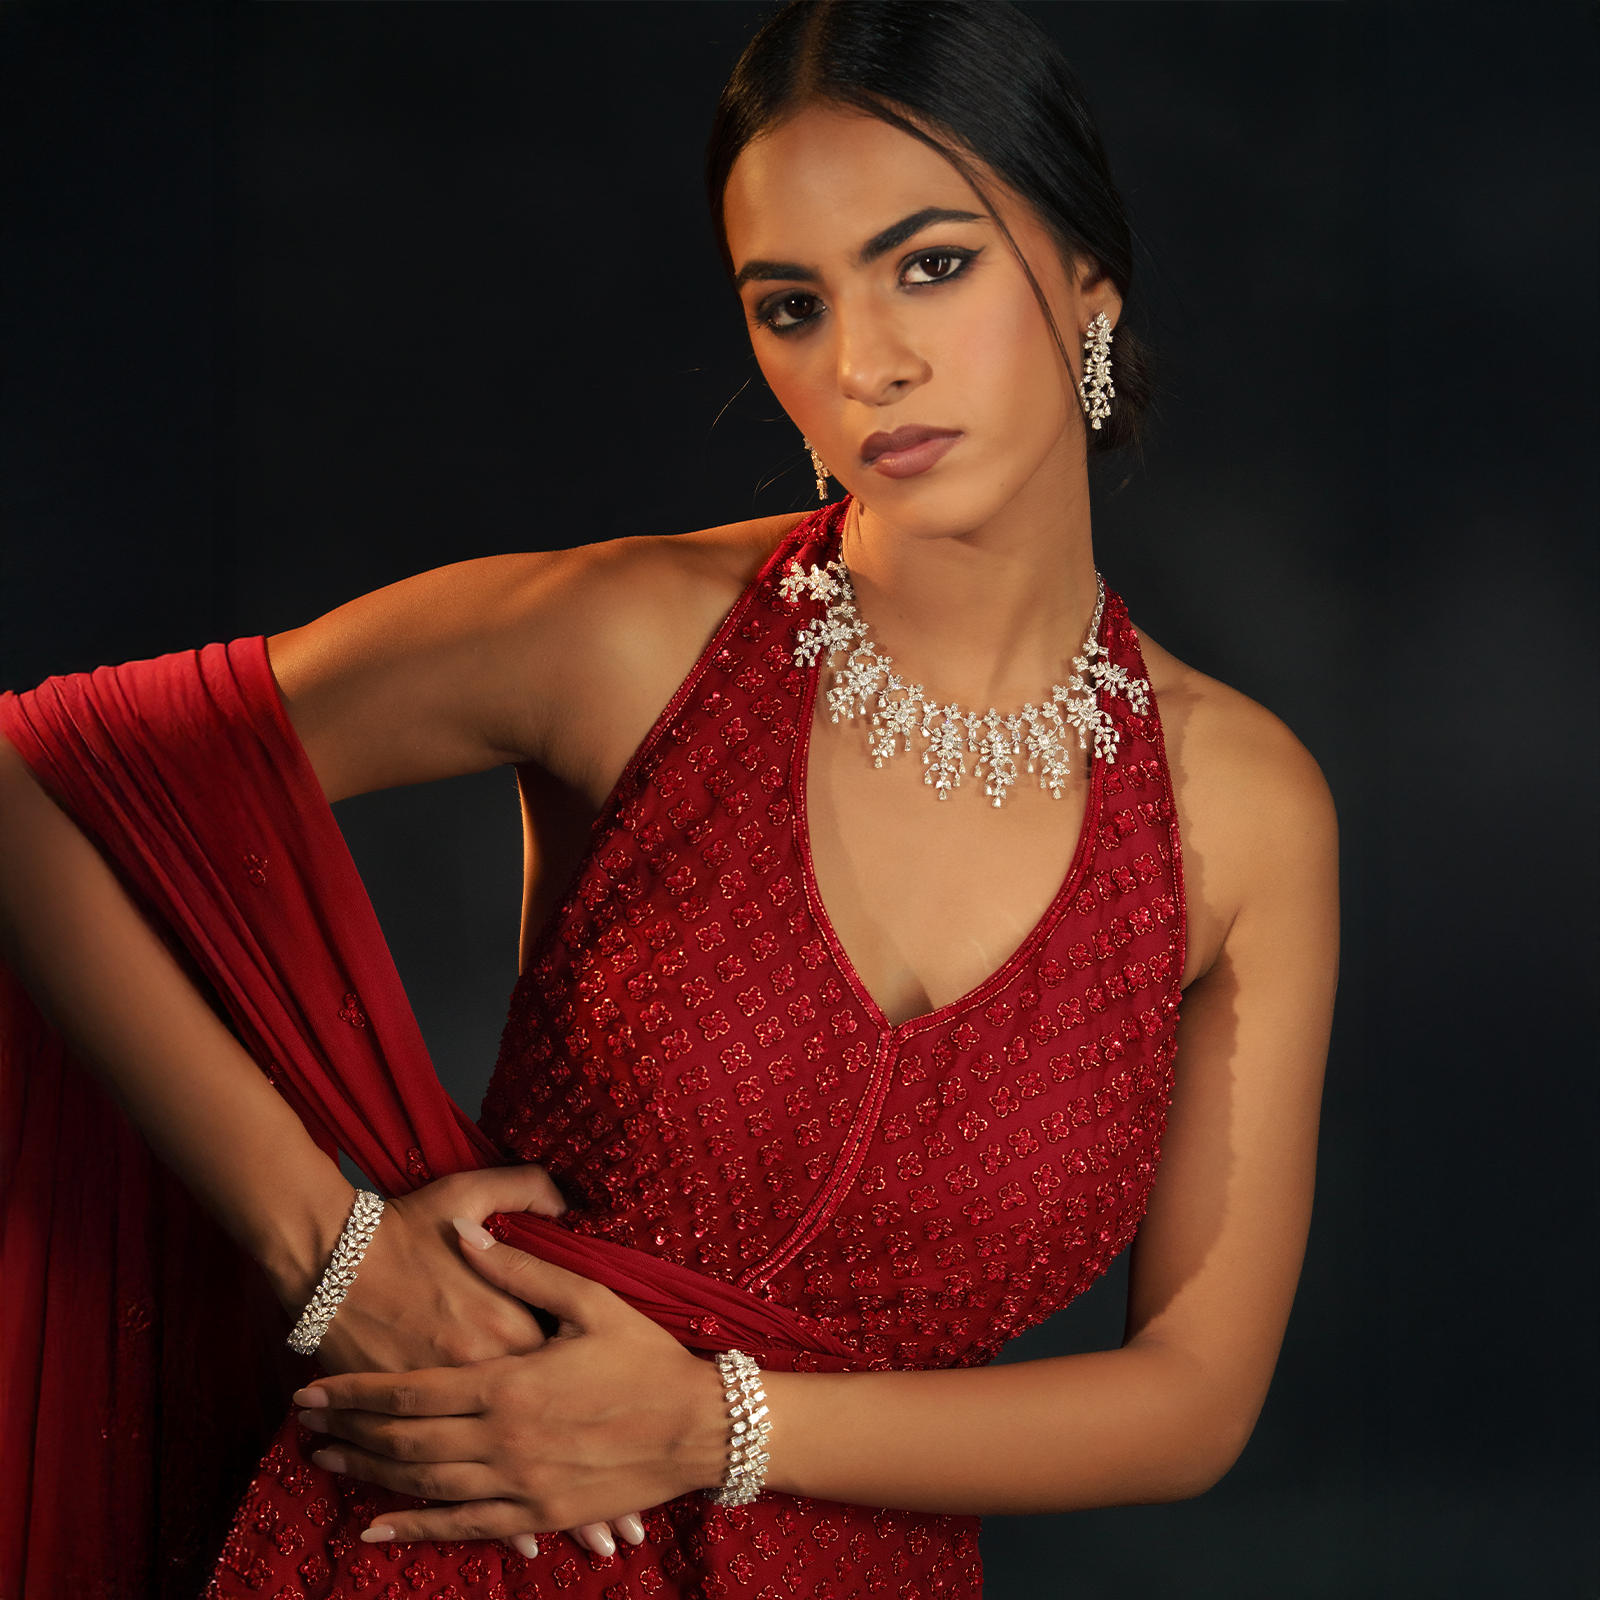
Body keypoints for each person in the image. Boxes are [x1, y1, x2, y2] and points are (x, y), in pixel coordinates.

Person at [0, 3, 1337, 1596]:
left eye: (930, 264)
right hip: (450, 1545)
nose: (865, 363)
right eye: (792, 304)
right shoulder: (629, 646)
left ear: (1087, 282)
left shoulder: (1239, 809)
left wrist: (721, 1427)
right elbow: (32, 776)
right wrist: (325, 1250)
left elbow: (1190, 1401)